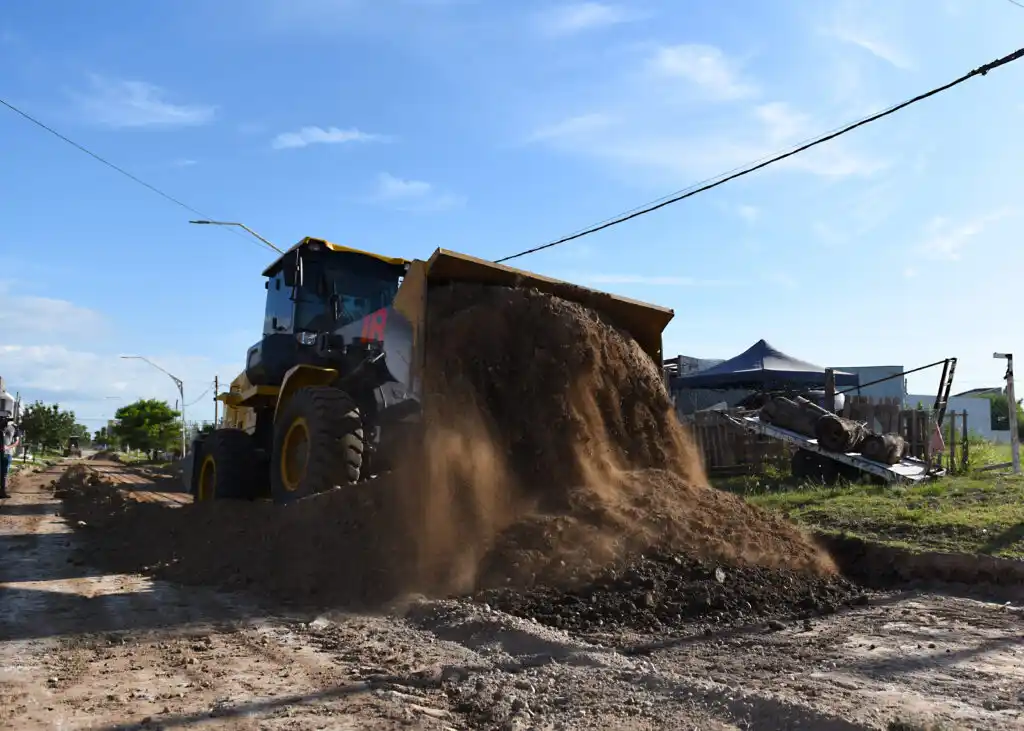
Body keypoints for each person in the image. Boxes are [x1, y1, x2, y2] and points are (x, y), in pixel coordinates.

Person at [1, 422, 19, 499]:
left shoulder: (14, 427)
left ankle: (2, 492)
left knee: (4, 473)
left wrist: (8, 447)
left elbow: (16, 441)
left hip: (7, 453)